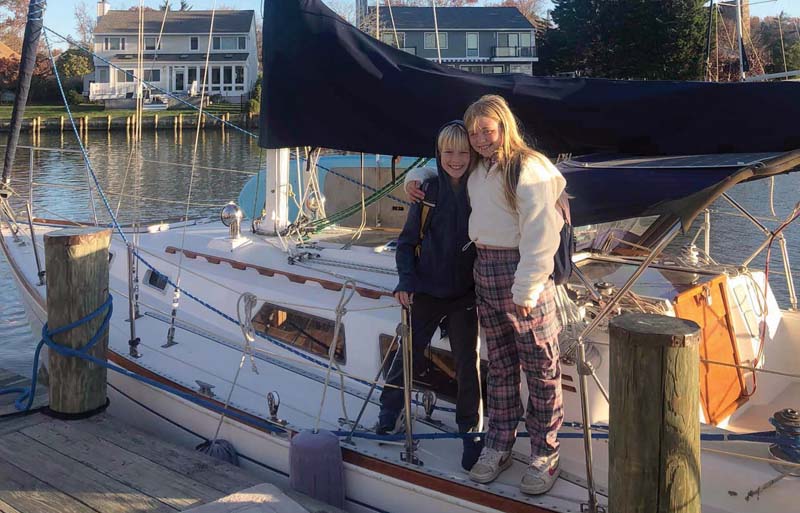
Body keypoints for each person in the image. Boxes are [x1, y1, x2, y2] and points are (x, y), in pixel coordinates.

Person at [404, 95, 566, 495]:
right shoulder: (480, 166)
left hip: (523, 272)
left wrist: (527, 287)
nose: (478, 139)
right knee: (501, 366)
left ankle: (545, 452)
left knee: (540, 366)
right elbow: (449, 163)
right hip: (485, 269)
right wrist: (421, 176)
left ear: (503, 128)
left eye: (486, 130)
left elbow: (542, 232)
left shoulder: (528, 168)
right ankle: (499, 443)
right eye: (474, 132)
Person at [378, 121, 484, 471]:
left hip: (465, 296)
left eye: (464, 152)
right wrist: (405, 281)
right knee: (406, 355)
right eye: (448, 153)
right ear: (438, 155)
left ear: (473, 155)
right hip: (424, 289)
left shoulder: (481, 191)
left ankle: (469, 428)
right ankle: (389, 411)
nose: (456, 159)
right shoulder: (428, 193)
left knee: (467, 364)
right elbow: (407, 244)